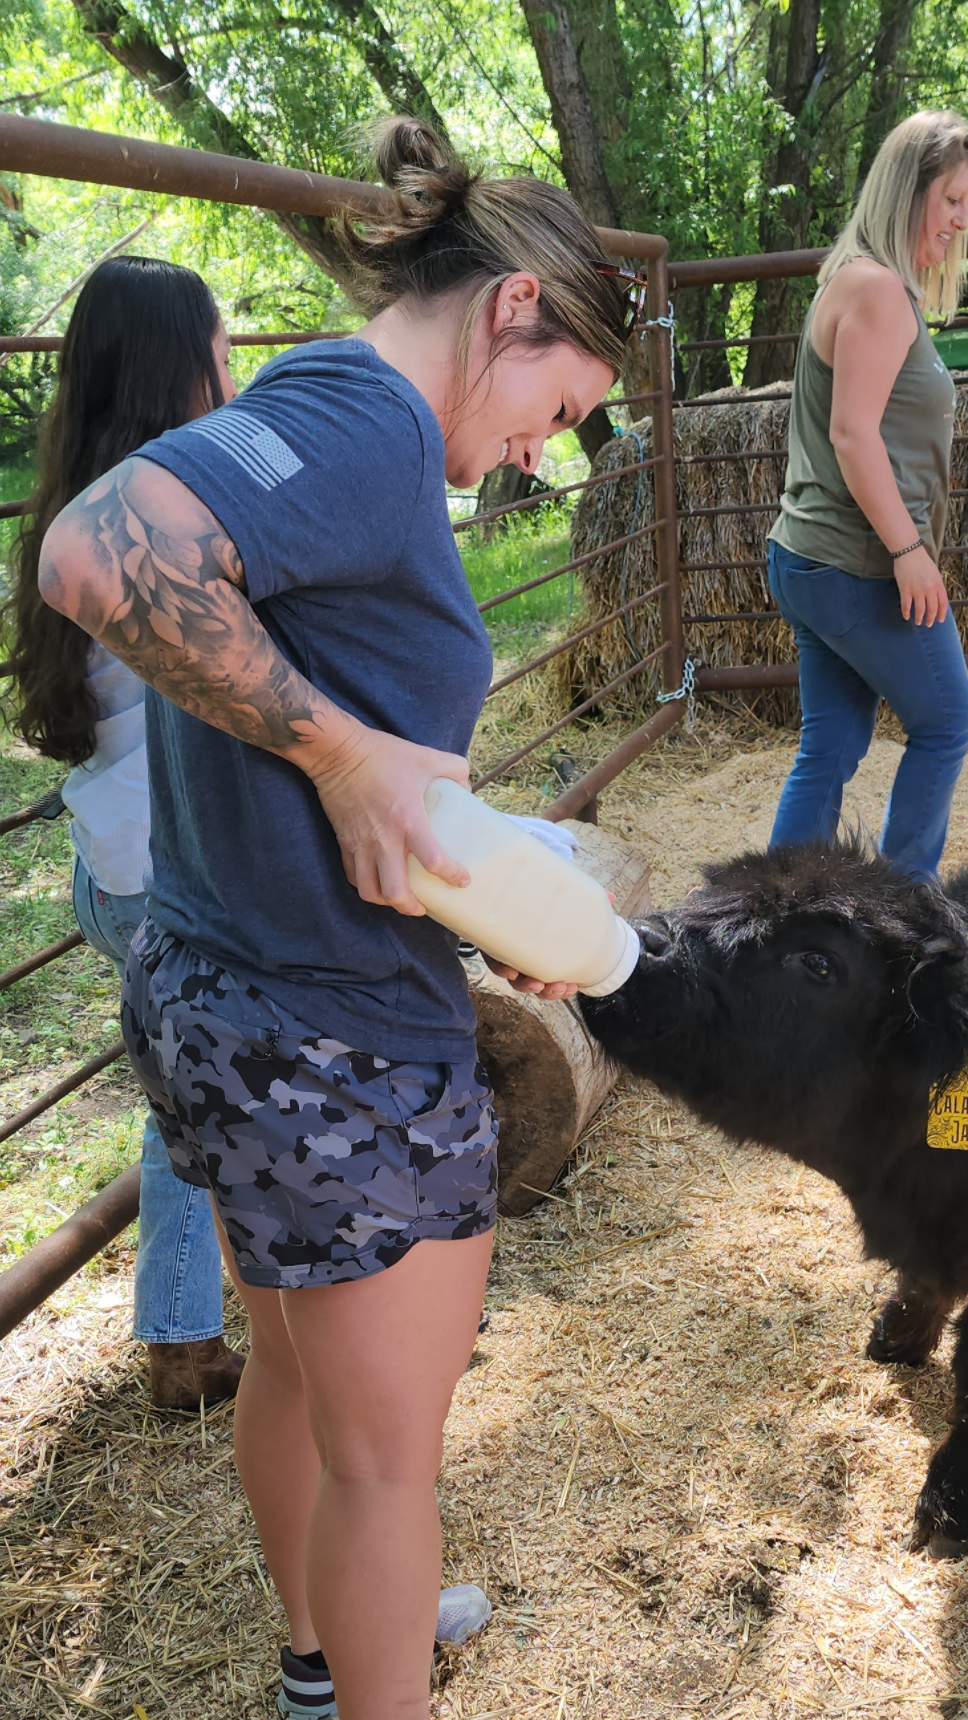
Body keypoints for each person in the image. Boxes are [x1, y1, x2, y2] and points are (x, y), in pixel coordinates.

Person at [37, 117, 631, 1720]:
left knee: (297, 1370)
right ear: (511, 309)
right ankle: (365, 1664)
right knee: (389, 1461)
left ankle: (325, 1654)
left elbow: (349, 760)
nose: (531, 453)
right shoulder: (363, 422)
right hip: (333, 1035)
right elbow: (95, 552)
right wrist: (344, 751)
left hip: (219, 980)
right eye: (553, 411)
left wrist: (449, 847)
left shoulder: (313, 398)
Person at [4, 255, 244, 1410]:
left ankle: (198, 1315)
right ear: (171, 368)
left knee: (187, 1090)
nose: (235, 370)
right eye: (221, 349)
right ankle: (182, 1341)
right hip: (168, 877)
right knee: (186, 1108)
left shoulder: (67, 514)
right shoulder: (165, 526)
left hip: (110, 866)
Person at [765, 111, 968, 881]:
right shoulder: (878, 291)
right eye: (951, 200)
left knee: (831, 742)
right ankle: (905, 908)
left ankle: (775, 912)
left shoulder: (855, 279)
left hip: (812, 559)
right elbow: (855, 435)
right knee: (950, 720)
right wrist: (909, 551)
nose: (962, 221)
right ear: (908, 190)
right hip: (855, 561)